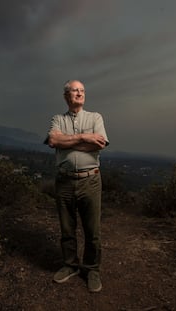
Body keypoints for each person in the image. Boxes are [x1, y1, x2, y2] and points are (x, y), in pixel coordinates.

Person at [45, 79, 109, 292]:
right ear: (66, 96)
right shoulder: (57, 119)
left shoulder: (95, 117)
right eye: (75, 91)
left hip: (90, 180)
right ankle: (70, 265)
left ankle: (91, 269)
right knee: (67, 227)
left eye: (82, 90)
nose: (80, 93)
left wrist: (67, 143)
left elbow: (98, 143)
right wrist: (84, 137)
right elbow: (54, 141)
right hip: (64, 180)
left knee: (93, 230)